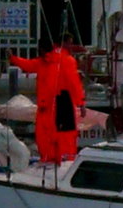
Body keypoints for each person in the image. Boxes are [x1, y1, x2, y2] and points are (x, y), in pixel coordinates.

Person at [9, 36, 85, 164]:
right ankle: (50, 159)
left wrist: (81, 103)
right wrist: (13, 58)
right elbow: (28, 65)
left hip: (61, 101)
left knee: (63, 135)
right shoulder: (44, 61)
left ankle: (65, 160)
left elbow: (74, 83)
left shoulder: (65, 60)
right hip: (46, 106)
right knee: (44, 135)